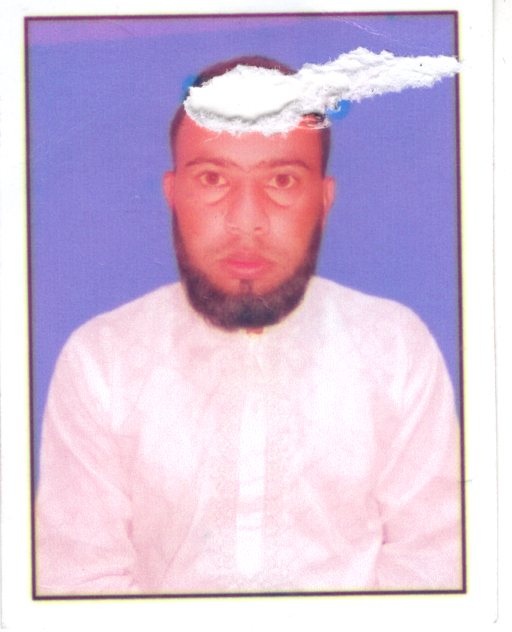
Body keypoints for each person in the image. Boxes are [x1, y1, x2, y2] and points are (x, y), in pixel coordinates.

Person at [35, 56, 462, 596]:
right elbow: (77, 583)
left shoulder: (395, 348)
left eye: (282, 180)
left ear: (323, 200)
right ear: (172, 193)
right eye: (213, 179)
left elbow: (434, 568)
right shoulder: (103, 359)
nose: (246, 221)